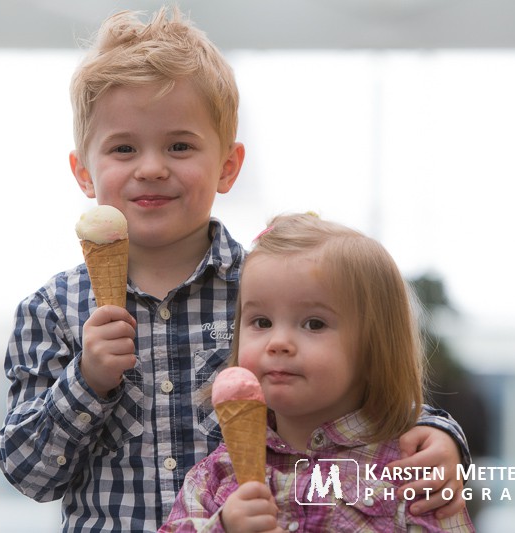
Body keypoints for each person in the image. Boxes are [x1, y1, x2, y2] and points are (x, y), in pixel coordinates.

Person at [0, 8, 470, 532]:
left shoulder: (269, 290)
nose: (151, 166)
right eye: (123, 148)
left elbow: (360, 388)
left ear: (228, 165)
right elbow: (28, 475)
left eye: (180, 145)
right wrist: (85, 381)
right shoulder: (52, 310)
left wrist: (439, 435)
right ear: (83, 173)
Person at [161, 213, 475, 532]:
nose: (278, 342)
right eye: (262, 322)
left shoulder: (411, 468)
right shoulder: (218, 473)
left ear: (374, 347)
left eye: (314, 324)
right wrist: (223, 526)